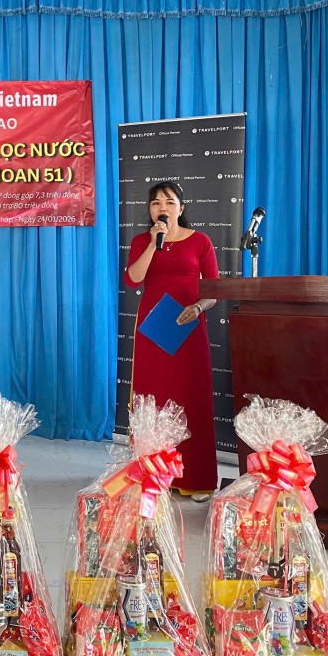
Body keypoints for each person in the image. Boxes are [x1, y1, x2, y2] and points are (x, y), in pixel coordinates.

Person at [124, 180, 219, 501]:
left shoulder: (201, 241)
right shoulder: (142, 241)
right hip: (153, 329)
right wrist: (154, 244)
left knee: (191, 397)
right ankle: (153, 475)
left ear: (181, 207)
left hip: (189, 328)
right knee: (154, 398)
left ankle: (196, 478)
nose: (162, 208)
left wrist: (198, 307)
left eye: (169, 202)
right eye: (155, 203)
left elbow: (214, 290)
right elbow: (133, 279)